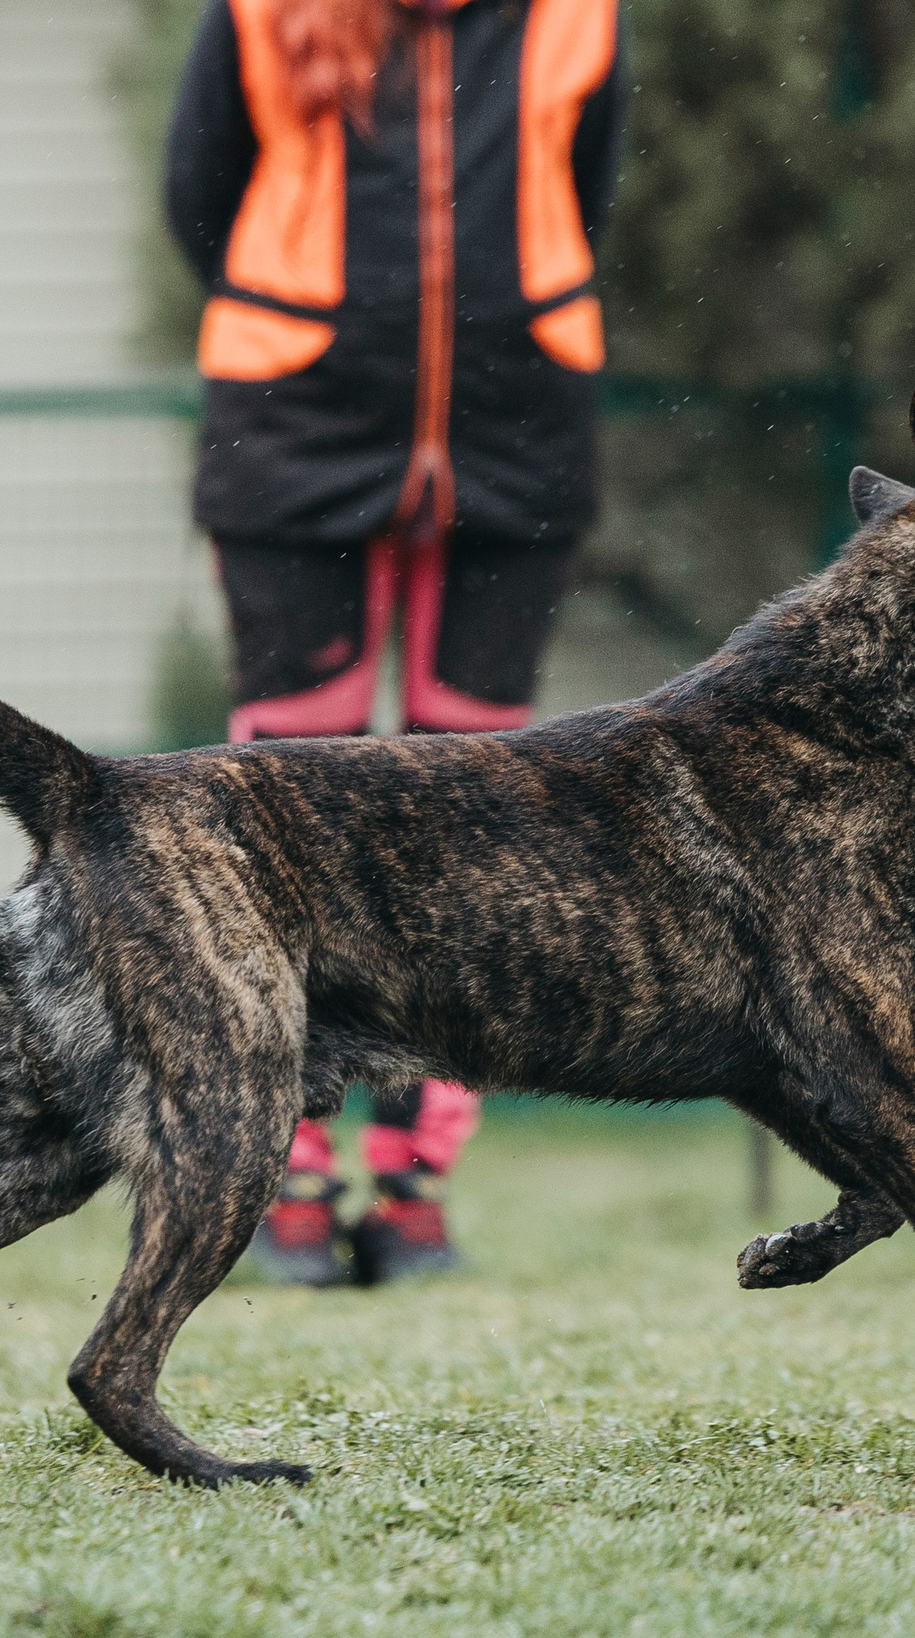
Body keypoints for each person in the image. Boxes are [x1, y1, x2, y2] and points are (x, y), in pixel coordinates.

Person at [164, 0, 624, 1284]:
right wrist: (329, 328)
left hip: (519, 425)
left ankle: (417, 1184)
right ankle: (284, 1173)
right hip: (293, 419)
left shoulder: (573, 16)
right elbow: (198, 191)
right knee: (281, 815)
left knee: (481, 822)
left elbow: (580, 195)